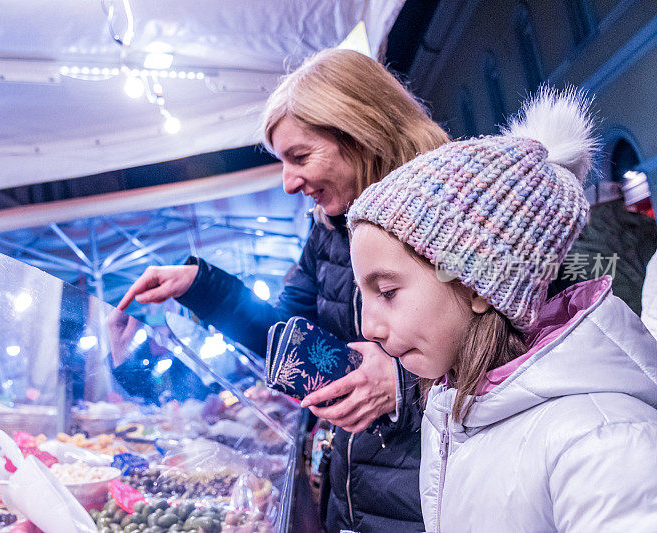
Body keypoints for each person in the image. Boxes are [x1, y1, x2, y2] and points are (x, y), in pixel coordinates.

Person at [118, 48, 450, 531]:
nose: (289, 183)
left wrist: (404, 382)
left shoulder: (456, 209)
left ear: (362, 133)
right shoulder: (330, 230)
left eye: (300, 157)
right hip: (355, 494)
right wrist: (204, 287)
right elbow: (288, 337)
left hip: (432, 497)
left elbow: (515, 350)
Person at [347, 88, 657, 532]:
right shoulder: (456, 402)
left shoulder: (604, 443)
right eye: (364, 294)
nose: (368, 325)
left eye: (388, 291)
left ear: (477, 286)